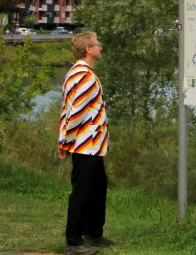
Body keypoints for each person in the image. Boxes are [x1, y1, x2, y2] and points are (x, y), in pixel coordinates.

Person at [58, 31, 115, 255]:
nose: (101, 47)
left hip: (93, 144)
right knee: (82, 191)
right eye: (97, 44)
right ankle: (74, 240)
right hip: (85, 144)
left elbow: (69, 110)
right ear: (88, 49)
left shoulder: (81, 73)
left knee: (97, 187)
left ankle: (94, 233)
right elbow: (76, 112)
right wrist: (65, 141)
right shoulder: (83, 75)